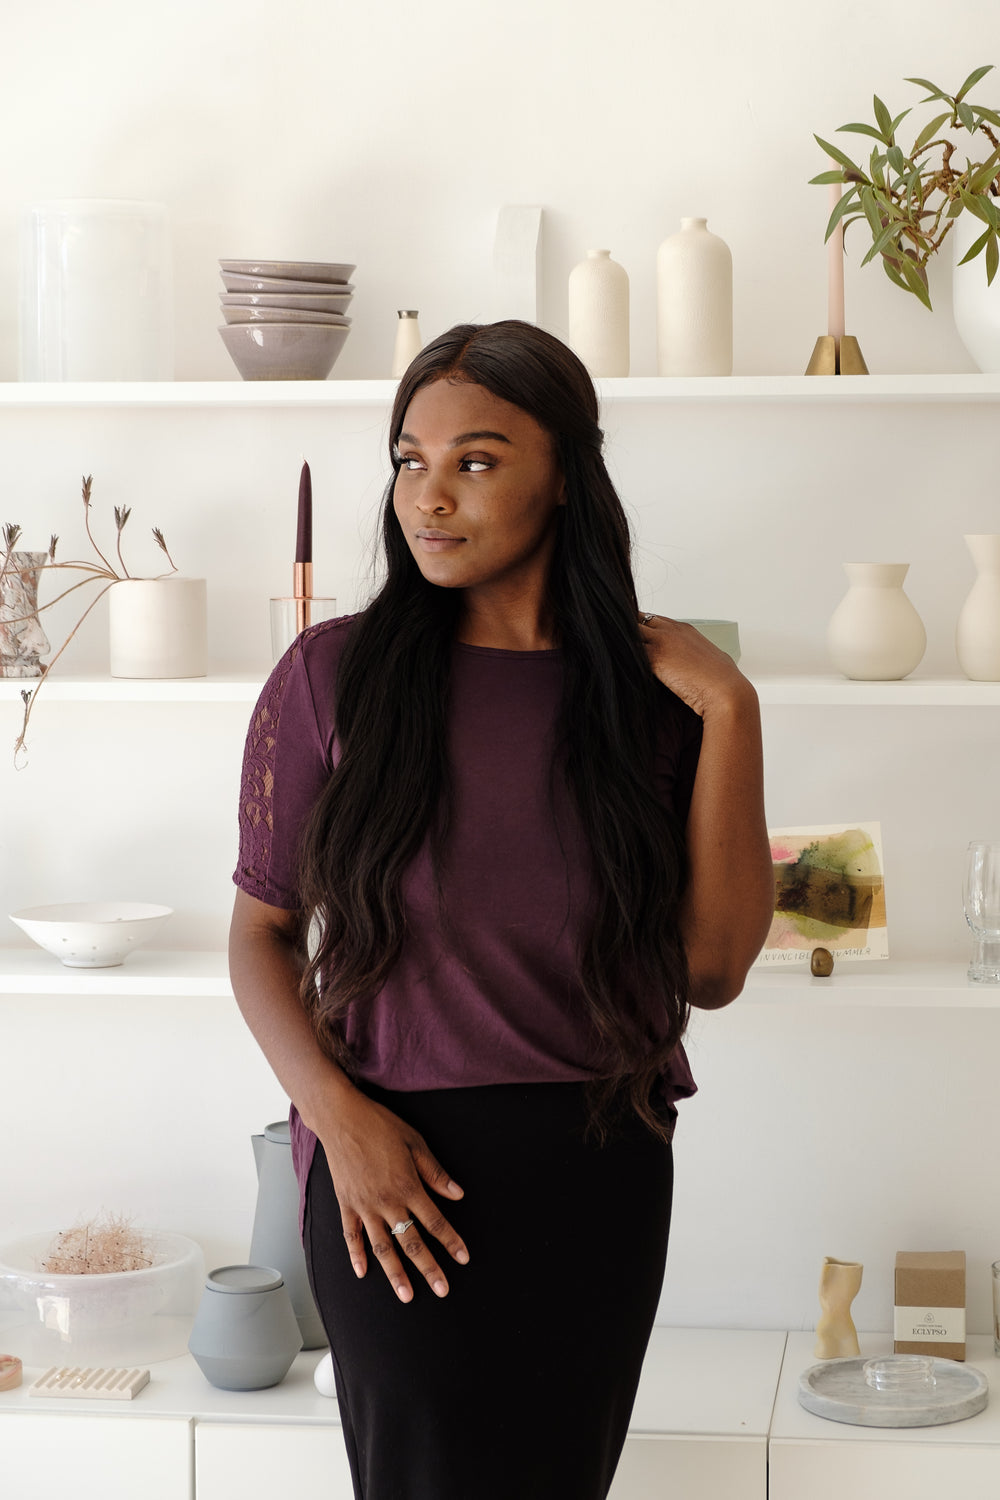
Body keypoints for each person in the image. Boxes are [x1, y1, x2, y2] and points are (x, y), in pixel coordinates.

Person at [229, 320, 774, 1500]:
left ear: (566, 473)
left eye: (476, 460)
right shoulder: (330, 677)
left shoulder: (659, 698)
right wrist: (340, 1120)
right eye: (407, 459)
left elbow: (715, 969)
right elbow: (261, 931)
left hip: (600, 1168)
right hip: (394, 1171)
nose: (430, 495)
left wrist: (732, 710)